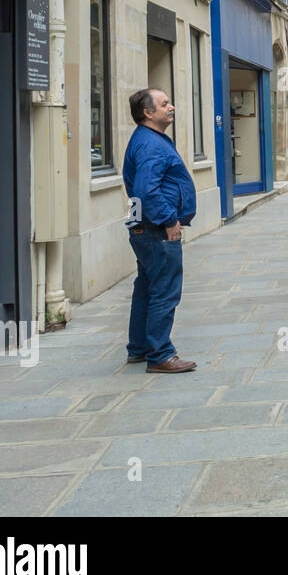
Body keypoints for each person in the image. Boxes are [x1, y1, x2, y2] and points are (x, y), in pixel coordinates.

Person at [123, 88, 198, 374]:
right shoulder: (151, 144)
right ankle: (160, 354)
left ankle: (140, 348)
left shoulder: (148, 140)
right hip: (156, 228)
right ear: (148, 113)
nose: (172, 107)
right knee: (164, 290)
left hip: (145, 226)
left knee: (147, 287)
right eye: (164, 104)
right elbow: (146, 190)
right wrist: (169, 220)